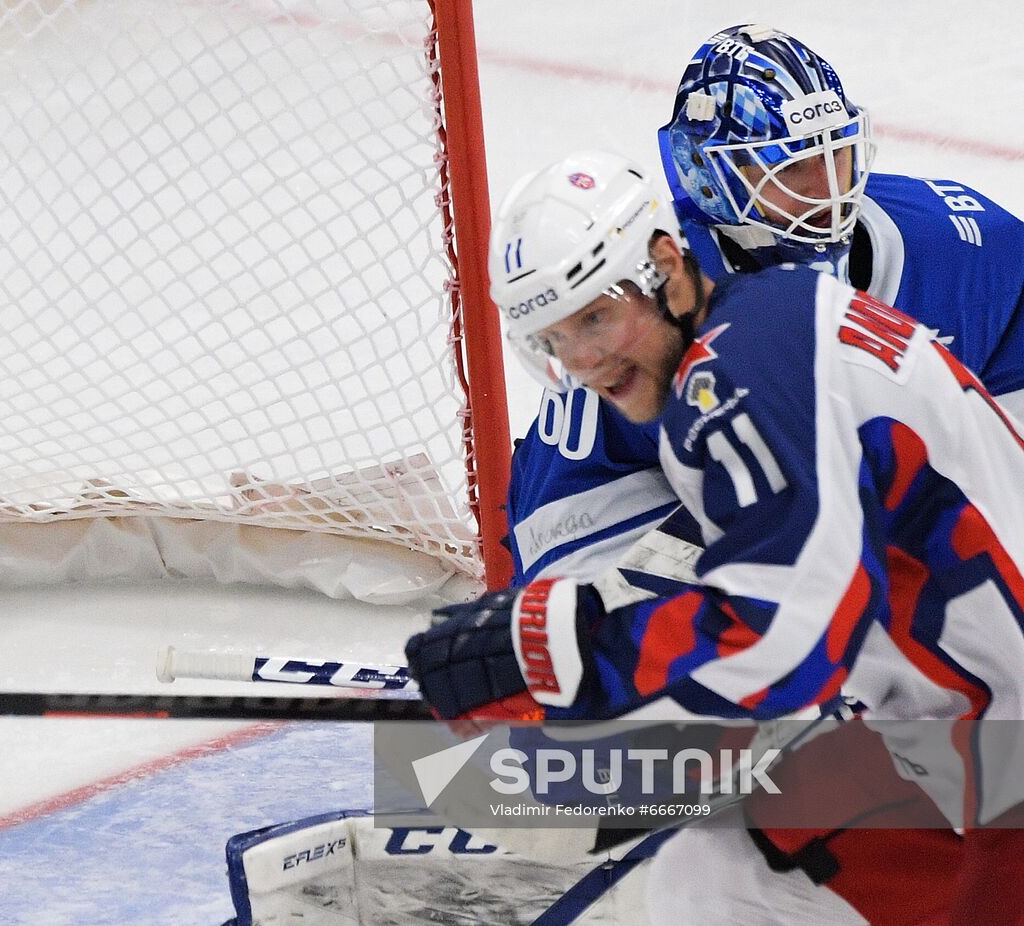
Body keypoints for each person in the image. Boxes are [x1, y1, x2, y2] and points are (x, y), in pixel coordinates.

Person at [407, 149, 1024, 925]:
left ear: (666, 264)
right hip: (972, 746)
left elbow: (787, 640)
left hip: (1002, 768)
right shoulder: (770, 328)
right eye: (556, 338)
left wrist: (576, 651)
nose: (586, 360)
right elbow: (831, 621)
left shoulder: (737, 373)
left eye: (597, 315)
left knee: (722, 877)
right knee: (718, 868)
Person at [506, 23, 1024, 585]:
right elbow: (561, 534)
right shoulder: (644, 299)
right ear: (709, 176)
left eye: (838, 155)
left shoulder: (965, 245)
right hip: (734, 569)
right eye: (791, 166)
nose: (828, 189)